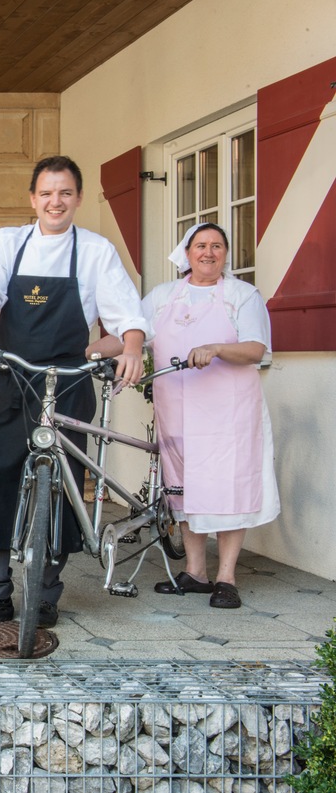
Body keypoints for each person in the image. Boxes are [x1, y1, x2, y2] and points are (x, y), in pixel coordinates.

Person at [0, 155, 147, 630]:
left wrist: (130, 348)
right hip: (9, 374)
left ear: (77, 198)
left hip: (69, 380)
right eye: (46, 193)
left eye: (65, 193)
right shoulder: (10, 241)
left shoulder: (96, 251)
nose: (55, 201)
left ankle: (45, 592)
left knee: (61, 485)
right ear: (32, 199)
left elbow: (127, 319)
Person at [134, 223, 277, 609]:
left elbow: (254, 349)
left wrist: (215, 347)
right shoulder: (163, 296)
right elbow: (133, 333)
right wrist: (99, 350)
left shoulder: (242, 295)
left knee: (229, 488)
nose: (208, 253)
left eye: (217, 246)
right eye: (201, 245)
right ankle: (196, 572)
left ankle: (226, 577)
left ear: (226, 254)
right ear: (187, 252)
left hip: (228, 413)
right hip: (177, 409)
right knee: (183, 488)